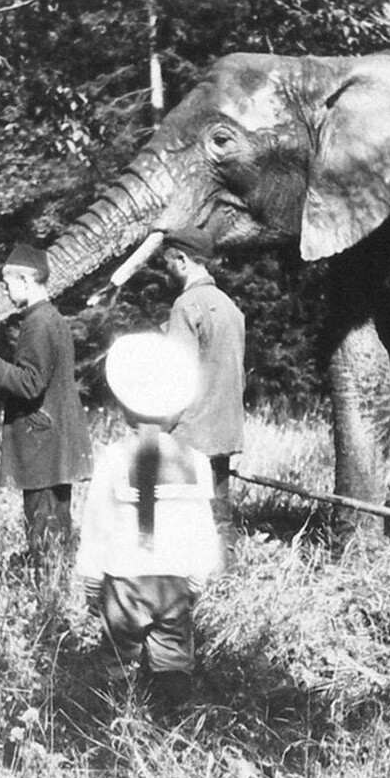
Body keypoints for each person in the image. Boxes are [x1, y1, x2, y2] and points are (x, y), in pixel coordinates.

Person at [76, 332, 222, 720]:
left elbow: (96, 523)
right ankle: (174, 720)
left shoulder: (111, 458)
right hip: (173, 580)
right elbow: (202, 527)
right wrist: (198, 575)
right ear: (177, 410)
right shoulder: (195, 460)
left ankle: (115, 722)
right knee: (174, 656)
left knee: (117, 658)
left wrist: (92, 579)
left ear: (125, 409)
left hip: (123, 578)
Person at [0, 243, 93, 571]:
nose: (7, 293)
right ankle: (54, 597)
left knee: (44, 531)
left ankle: (48, 609)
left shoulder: (37, 323)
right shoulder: (51, 318)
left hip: (42, 443)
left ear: (26, 279)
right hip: (53, 441)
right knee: (54, 527)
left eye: (8, 285)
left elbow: (30, 383)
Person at [160, 227, 245, 567]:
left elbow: (178, 379)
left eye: (168, 262)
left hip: (191, 431)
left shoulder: (186, 305)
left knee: (183, 514)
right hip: (224, 428)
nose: (166, 270)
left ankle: (187, 582)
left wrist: (160, 428)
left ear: (182, 260)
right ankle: (227, 575)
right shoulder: (229, 306)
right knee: (219, 510)